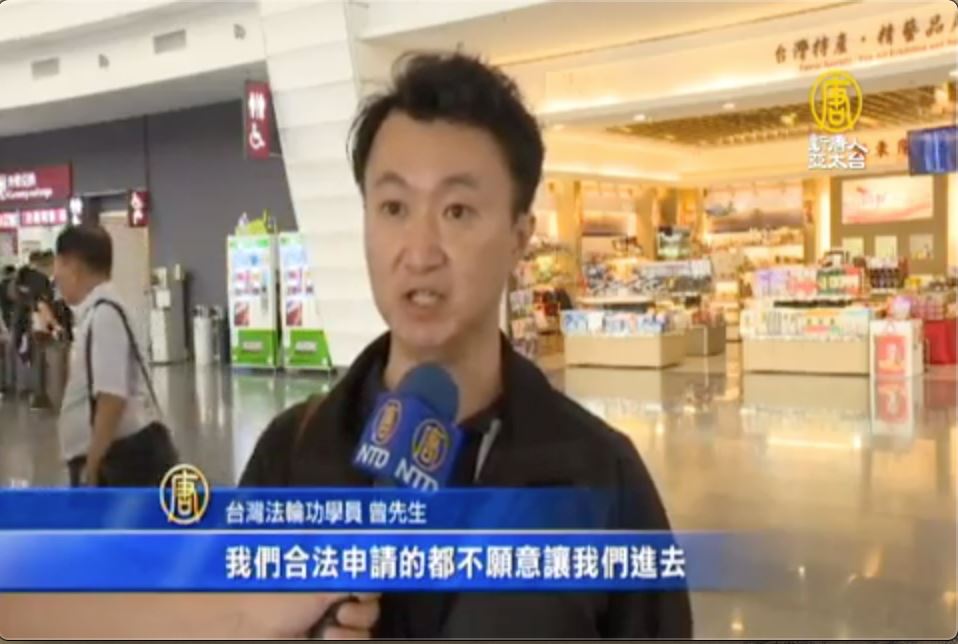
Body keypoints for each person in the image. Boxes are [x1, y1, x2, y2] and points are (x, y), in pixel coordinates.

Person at [240, 52, 693, 638]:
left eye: (457, 211)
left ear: (519, 237)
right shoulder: (290, 455)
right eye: (394, 208)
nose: (419, 252)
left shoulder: (600, 477)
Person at [52, 225, 171, 486]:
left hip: (120, 461)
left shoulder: (105, 315)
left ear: (73, 266)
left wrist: (93, 463)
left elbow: (111, 397)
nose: (55, 276)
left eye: (58, 265)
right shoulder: (99, 312)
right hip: (117, 455)